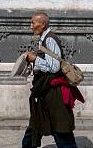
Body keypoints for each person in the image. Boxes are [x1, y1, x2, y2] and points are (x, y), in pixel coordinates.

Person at [22, 12, 83, 148]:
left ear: (43, 24)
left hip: (53, 92)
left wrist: (34, 59)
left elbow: (54, 67)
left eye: (33, 23)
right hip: (45, 90)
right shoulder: (44, 39)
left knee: (60, 129)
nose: (31, 26)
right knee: (35, 124)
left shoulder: (50, 39)